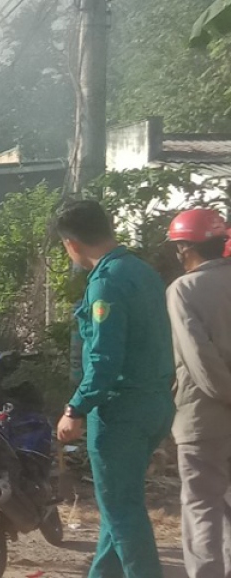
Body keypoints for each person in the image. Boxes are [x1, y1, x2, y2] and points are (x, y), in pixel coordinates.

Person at [53, 200, 174, 578]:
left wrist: (76, 409)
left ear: (71, 243)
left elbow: (105, 359)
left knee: (122, 511)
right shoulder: (142, 271)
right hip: (155, 404)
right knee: (118, 505)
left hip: (121, 412)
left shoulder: (106, 282)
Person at [164, 209, 231, 578]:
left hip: (203, 418)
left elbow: (198, 357)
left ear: (185, 247)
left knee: (202, 506)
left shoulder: (182, 290)